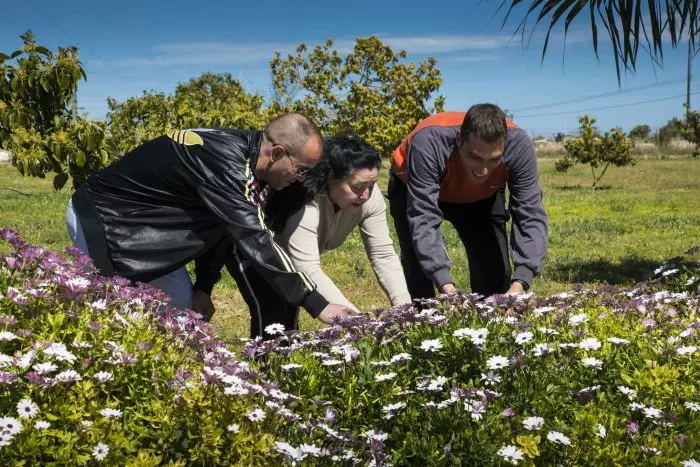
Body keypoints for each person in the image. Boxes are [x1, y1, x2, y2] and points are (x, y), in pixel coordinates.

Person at [65, 113, 351, 330]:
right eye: (300, 169)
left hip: (145, 227)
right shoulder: (227, 165)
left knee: (177, 308)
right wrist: (317, 303)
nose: (299, 178)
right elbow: (254, 237)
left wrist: (203, 286)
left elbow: (218, 226)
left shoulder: (245, 161)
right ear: (276, 153)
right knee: (109, 312)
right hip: (104, 220)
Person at [194, 136, 411, 337]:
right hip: (249, 244)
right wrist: (355, 322)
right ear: (331, 179)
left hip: (288, 257)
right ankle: (265, 371)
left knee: (289, 314)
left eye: (372, 185)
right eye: (357, 187)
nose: (366, 195)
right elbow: (307, 268)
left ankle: (282, 369)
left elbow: (383, 254)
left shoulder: (370, 200)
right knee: (273, 308)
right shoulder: (305, 201)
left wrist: (404, 308)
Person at [388, 104, 548, 298]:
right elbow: (424, 217)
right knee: (418, 268)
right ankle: (421, 319)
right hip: (413, 187)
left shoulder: (519, 145)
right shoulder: (429, 142)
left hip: (481, 196)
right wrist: (447, 288)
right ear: (458, 139)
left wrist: (521, 282)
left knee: (494, 275)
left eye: (493, 160)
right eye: (474, 157)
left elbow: (530, 213)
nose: (482, 170)